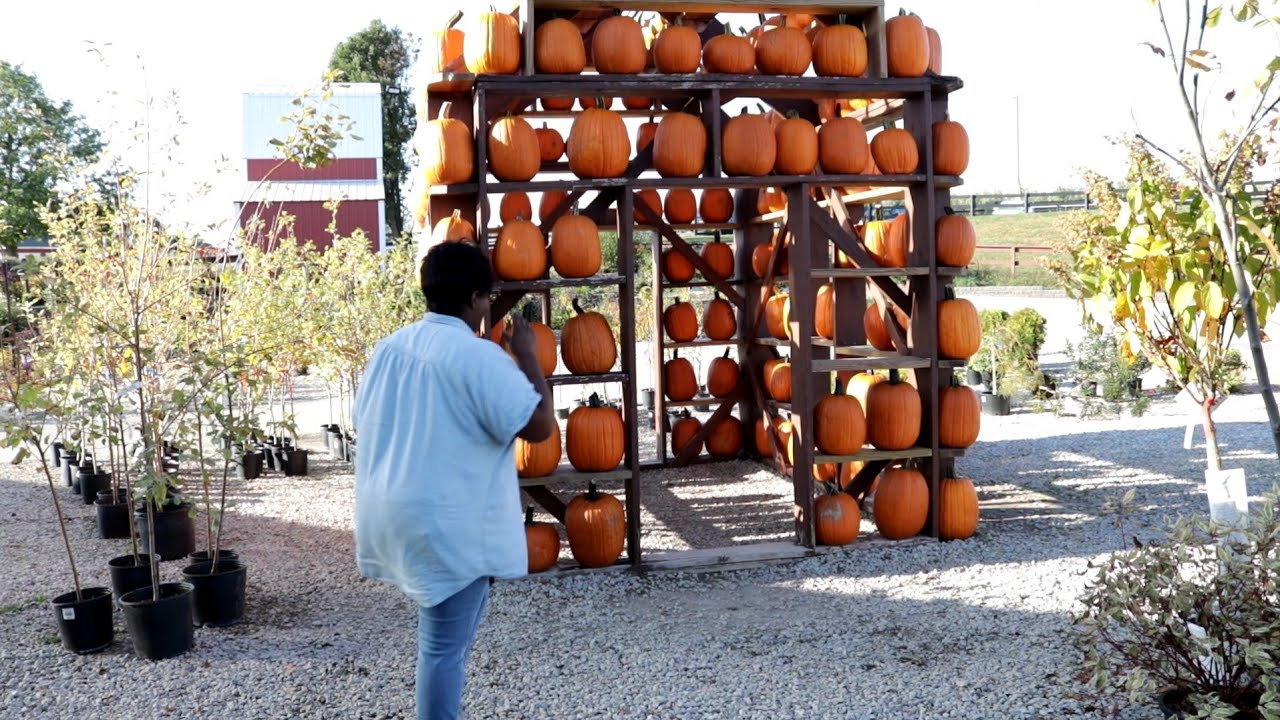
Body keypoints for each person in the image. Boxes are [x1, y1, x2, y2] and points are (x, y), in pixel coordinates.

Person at [353, 241, 555, 720]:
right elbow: (541, 427)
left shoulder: (389, 348)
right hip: (444, 525)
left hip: (389, 511)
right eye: (487, 298)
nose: (488, 307)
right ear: (472, 298)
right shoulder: (479, 357)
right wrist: (528, 357)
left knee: (440, 642)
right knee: (442, 649)